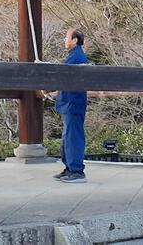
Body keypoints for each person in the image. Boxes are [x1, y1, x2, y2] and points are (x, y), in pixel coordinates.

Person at [52, 28, 89, 183]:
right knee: (68, 136)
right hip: (71, 102)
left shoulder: (77, 58)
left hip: (73, 103)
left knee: (73, 136)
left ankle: (76, 170)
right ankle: (70, 167)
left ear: (75, 40)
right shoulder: (75, 56)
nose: (64, 40)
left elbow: (64, 77)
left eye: (66, 37)